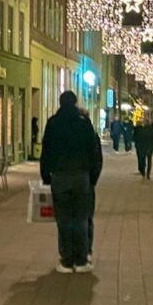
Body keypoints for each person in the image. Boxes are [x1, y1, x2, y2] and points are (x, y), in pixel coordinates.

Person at [41, 91, 102, 273]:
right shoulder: (84, 124)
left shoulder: (53, 123)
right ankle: (82, 260)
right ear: (75, 103)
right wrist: (92, 178)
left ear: (60, 103)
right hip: (81, 178)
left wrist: (46, 176)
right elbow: (93, 152)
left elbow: (46, 151)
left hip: (60, 177)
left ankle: (66, 260)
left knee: (64, 219)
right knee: (82, 219)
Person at [79, 107, 103, 264]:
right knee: (86, 217)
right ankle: (86, 251)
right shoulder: (91, 133)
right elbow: (97, 160)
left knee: (68, 218)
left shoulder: (66, 131)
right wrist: (93, 179)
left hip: (67, 178)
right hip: (86, 181)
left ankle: (69, 255)